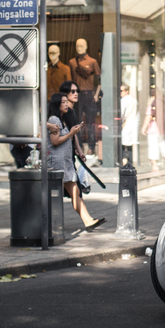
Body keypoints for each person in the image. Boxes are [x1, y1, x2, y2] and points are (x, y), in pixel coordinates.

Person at [47, 93, 105, 231]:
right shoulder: (54, 119)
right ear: (57, 104)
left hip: (65, 162)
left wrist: (78, 149)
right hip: (58, 163)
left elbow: (71, 138)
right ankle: (87, 220)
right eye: (63, 102)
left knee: (75, 192)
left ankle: (88, 220)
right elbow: (55, 142)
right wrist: (70, 134)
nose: (66, 104)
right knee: (72, 192)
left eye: (67, 102)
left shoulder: (62, 118)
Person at [69, 38, 101, 156]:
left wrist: (96, 95)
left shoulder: (92, 62)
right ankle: (79, 146)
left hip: (89, 94)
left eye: (81, 46)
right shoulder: (72, 62)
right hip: (77, 95)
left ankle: (91, 147)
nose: (79, 48)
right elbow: (71, 80)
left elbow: (99, 80)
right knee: (77, 123)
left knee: (90, 122)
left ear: (86, 47)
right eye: (77, 46)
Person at [141, 90, 165, 172]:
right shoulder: (164, 102)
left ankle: (155, 166)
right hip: (162, 128)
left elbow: (149, 116)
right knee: (162, 145)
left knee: (153, 147)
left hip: (153, 128)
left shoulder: (153, 103)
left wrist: (144, 128)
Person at [120, 84, 139, 166]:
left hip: (126, 125)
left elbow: (121, 114)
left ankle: (125, 163)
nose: (120, 93)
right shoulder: (134, 100)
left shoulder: (124, 100)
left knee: (124, 145)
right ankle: (130, 163)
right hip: (133, 125)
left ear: (126, 91)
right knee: (130, 146)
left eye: (121, 91)